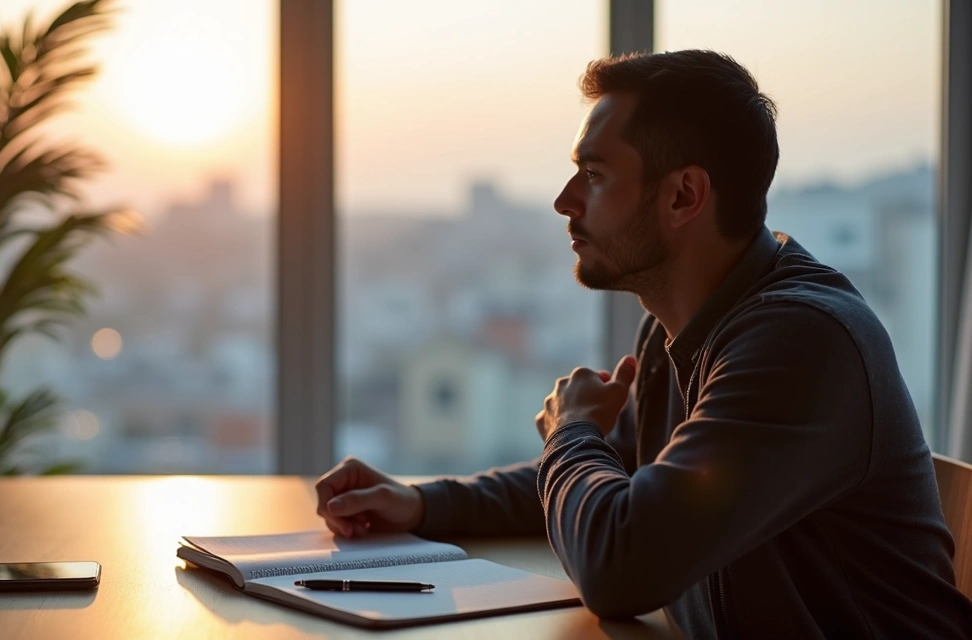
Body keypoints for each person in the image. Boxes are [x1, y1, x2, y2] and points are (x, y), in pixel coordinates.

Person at [313, 50, 972, 638]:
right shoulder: (679, 325)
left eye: (594, 175)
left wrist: (570, 431)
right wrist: (426, 502)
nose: (564, 200)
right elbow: (620, 477)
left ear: (684, 195)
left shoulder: (800, 343)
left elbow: (621, 566)